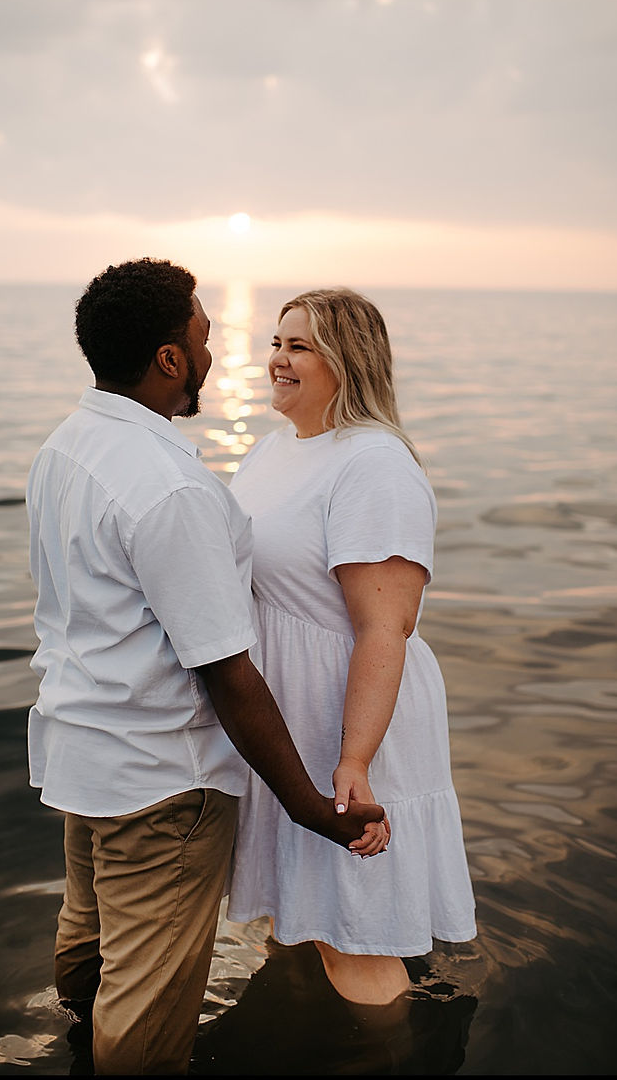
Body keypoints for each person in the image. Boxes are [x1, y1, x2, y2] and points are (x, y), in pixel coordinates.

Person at [26, 258, 389, 1076]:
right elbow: (226, 670)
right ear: (169, 359)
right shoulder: (169, 487)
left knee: (89, 946)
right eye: (203, 334)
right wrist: (309, 808)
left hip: (79, 752)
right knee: (148, 1013)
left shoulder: (65, 446)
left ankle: (76, 1051)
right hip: (162, 777)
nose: (215, 351)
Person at [225, 288, 476, 1005]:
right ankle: (305, 1029)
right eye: (276, 342)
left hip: (352, 717)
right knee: (308, 916)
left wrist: (355, 757)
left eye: (298, 346)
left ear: (348, 360)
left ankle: (389, 1052)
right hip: (289, 713)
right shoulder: (274, 450)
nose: (277, 359)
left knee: (356, 933)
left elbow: (383, 627)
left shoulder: (373, 464)